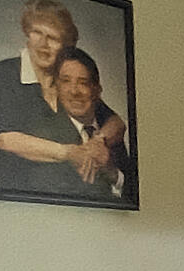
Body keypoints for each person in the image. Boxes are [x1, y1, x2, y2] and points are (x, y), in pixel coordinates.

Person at [0, 0, 83, 195]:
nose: (43, 44)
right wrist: (70, 153)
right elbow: (6, 140)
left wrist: (100, 140)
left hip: (63, 197)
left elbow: (113, 121)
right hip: (12, 196)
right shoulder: (3, 74)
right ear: (27, 34)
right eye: (37, 32)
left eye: (53, 37)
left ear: (65, 45)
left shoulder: (67, 81)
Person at [49, 48, 132, 196]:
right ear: (56, 88)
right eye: (66, 81)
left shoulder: (109, 132)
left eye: (83, 82)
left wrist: (112, 173)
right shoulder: (49, 134)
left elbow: (136, 193)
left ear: (97, 90)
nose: (74, 91)